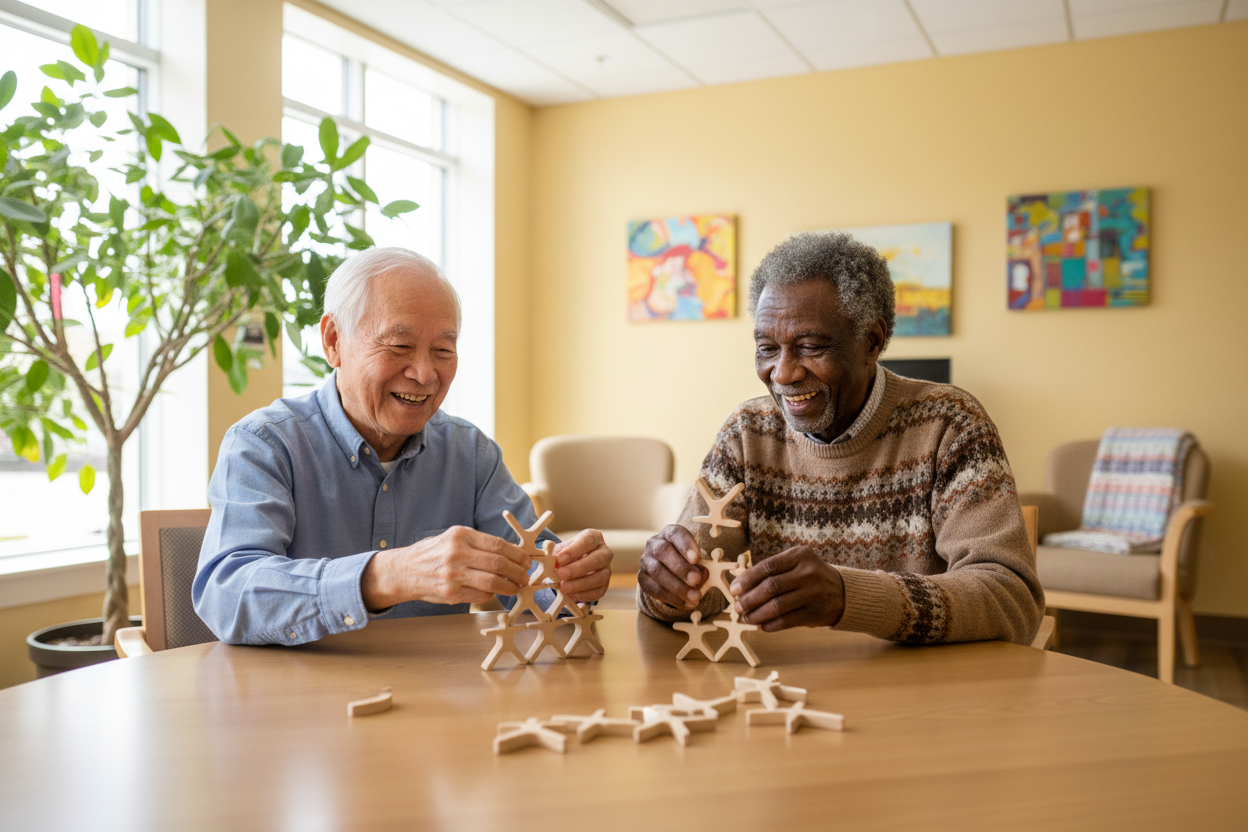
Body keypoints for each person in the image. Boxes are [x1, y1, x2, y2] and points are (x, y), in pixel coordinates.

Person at [637, 232, 1043, 645]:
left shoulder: (950, 425)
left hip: (920, 692)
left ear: (872, 341)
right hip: (778, 691)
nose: (782, 373)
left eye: (810, 346)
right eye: (767, 348)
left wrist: (849, 598)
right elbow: (698, 592)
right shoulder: (747, 433)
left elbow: (1011, 600)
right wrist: (665, 586)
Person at [195, 247, 613, 645]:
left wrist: (571, 581)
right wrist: (385, 576)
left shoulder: (471, 454)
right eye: (399, 346)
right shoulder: (264, 444)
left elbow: (534, 580)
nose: (425, 373)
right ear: (333, 341)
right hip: (300, 702)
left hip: (435, 701)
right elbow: (228, 595)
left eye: (443, 350)